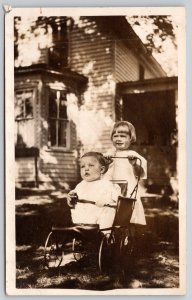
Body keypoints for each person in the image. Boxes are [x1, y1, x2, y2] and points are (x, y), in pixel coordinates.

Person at [104, 121, 147, 226]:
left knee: (127, 216)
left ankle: (127, 238)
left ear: (130, 138)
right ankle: (108, 235)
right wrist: (106, 162)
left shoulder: (132, 154)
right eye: (115, 136)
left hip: (127, 190)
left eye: (123, 136)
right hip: (111, 189)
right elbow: (102, 173)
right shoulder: (110, 154)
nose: (118, 139)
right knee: (109, 213)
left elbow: (140, 174)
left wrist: (134, 164)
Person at [67, 151, 121, 230]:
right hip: (82, 218)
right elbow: (73, 195)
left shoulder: (106, 184)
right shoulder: (80, 185)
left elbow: (116, 200)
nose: (86, 169)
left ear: (101, 170)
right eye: (82, 166)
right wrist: (71, 198)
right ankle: (80, 233)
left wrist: (106, 202)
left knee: (108, 212)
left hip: (100, 220)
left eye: (91, 165)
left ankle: (105, 234)